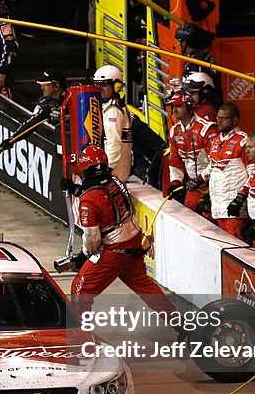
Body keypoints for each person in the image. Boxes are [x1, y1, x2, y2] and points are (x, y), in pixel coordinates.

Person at [69, 146, 176, 323]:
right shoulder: (115, 179)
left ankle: (79, 333)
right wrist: (77, 190)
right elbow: (103, 196)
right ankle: (179, 323)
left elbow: (91, 239)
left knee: (80, 290)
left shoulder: (89, 201)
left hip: (114, 251)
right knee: (145, 286)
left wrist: (84, 256)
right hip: (134, 242)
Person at [166, 88, 218, 213]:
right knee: (189, 215)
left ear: (189, 107)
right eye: (172, 107)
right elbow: (175, 161)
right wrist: (175, 183)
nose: (174, 110)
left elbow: (217, 161)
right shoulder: (175, 130)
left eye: (178, 106)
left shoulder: (207, 129)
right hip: (192, 185)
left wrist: (200, 179)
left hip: (211, 184)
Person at [203, 102, 249, 239]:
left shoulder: (243, 141)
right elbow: (213, 169)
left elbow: (254, 173)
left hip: (234, 209)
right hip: (217, 207)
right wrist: (205, 193)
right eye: (218, 118)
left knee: (236, 250)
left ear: (235, 120)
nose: (219, 121)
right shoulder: (216, 141)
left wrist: (241, 197)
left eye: (224, 118)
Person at [93, 65, 132, 179]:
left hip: (114, 172)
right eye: (97, 84)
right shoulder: (107, 105)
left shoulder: (113, 110)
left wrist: (106, 169)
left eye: (104, 85)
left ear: (116, 86)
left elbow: (114, 143)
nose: (100, 88)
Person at [6, 69, 66, 144]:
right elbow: (33, 121)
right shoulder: (45, 104)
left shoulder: (73, 96)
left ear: (56, 86)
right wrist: (13, 139)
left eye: (45, 85)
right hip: (56, 141)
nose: (42, 88)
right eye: (41, 85)